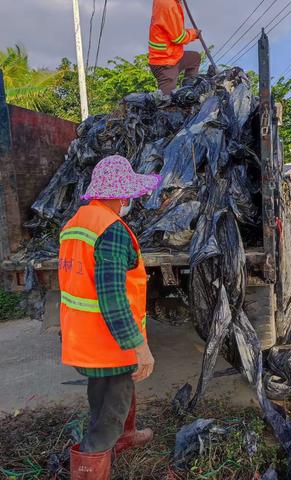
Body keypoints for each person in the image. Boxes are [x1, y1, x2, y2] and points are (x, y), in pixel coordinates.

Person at [59, 155, 162, 479]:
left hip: (84, 336)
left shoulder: (76, 222)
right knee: (110, 411)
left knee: (102, 396)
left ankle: (125, 438)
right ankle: (91, 467)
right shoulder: (112, 231)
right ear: (120, 195)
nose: (130, 201)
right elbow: (113, 299)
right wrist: (138, 347)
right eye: (129, 195)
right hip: (108, 341)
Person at [148, 0, 201, 94]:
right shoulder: (168, 4)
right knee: (166, 102)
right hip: (165, 64)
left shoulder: (172, 2)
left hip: (173, 57)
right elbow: (178, 38)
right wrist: (194, 33)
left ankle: (188, 94)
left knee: (194, 58)